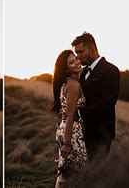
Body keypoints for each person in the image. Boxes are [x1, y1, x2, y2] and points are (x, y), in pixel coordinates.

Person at [71, 32, 120, 161]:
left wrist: (80, 113)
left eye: (81, 52)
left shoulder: (110, 71)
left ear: (92, 49)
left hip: (101, 133)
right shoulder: (83, 73)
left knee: (96, 173)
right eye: (76, 53)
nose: (78, 56)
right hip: (82, 132)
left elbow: (107, 102)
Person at [50, 50, 87, 187]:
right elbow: (71, 115)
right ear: (66, 68)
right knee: (72, 175)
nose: (77, 63)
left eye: (76, 59)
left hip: (65, 129)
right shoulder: (73, 86)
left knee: (66, 172)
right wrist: (67, 143)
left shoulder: (66, 82)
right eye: (71, 62)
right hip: (72, 134)